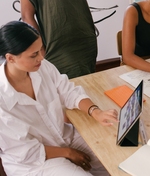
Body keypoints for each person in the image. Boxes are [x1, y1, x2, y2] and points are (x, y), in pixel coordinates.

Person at [0, 21, 118, 176]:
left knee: (113, 157)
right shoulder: (2, 99)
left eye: (41, 49)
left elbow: (68, 91)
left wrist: (95, 112)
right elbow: (25, 151)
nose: (41, 57)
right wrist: (68, 153)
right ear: (10, 58)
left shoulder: (41, 66)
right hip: (33, 162)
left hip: (63, 136)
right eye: (34, 55)